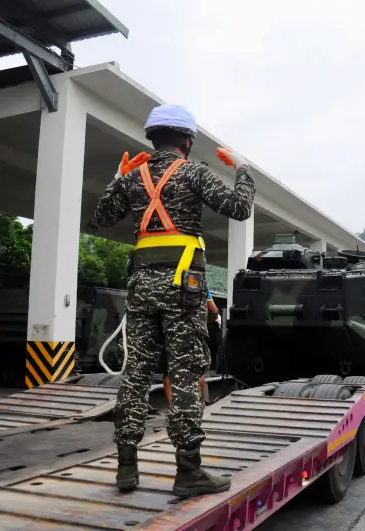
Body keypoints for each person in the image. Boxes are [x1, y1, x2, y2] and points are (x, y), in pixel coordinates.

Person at [93, 103, 255, 498]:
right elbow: (240, 207)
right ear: (187, 140)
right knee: (184, 374)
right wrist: (243, 169)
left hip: (142, 286)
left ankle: (126, 470)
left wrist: (120, 176)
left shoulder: (133, 181)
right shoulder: (194, 172)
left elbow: (101, 216)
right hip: (183, 287)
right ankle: (188, 472)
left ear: (153, 138)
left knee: (135, 374)